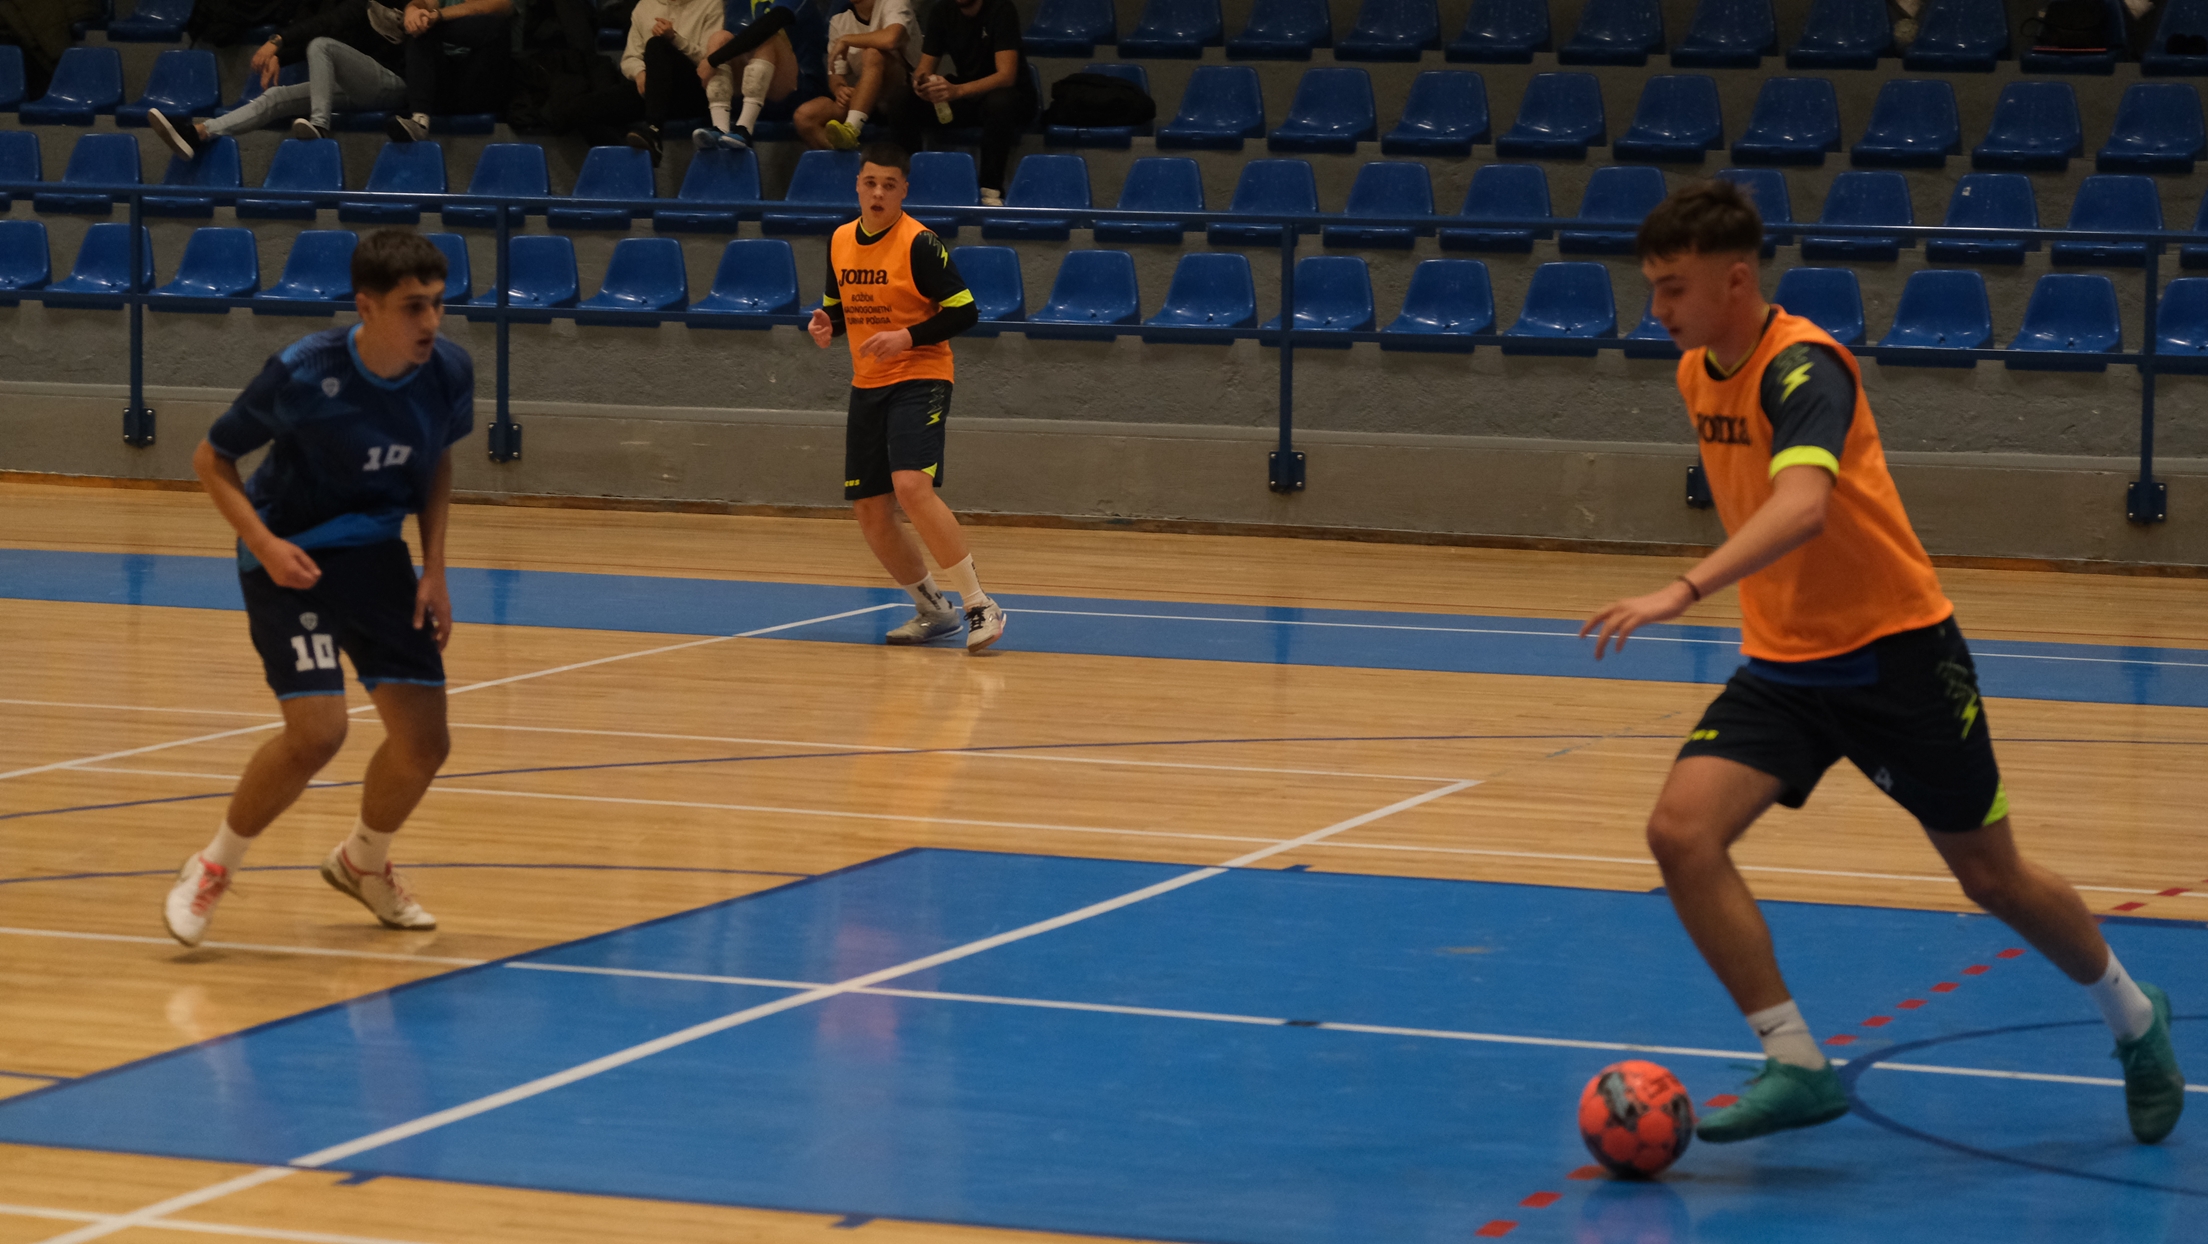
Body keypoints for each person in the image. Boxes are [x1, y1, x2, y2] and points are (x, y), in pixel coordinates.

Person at [1579, 180, 2186, 1147]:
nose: (1657, 309)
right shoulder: (1696, 370)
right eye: (1652, 287)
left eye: (1674, 287)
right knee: (1680, 835)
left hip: (1897, 657)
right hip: (1786, 667)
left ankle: (2135, 1017)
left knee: (1992, 877)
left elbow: (1802, 507)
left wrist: (1681, 590)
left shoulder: (1804, 368)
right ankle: (1795, 1062)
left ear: (1735, 280)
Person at [164, 230, 475, 949]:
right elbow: (211, 459)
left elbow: (436, 463)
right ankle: (212, 866)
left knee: (425, 743)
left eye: (437, 303)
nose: (430, 321)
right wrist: (265, 546)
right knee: (318, 733)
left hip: (376, 559)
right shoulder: (306, 371)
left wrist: (434, 569)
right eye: (413, 307)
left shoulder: (448, 371)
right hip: (289, 560)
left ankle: (363, 863)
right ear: (366, 307)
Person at [809, 144, 1004, 652]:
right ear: (858, 185)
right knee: (870, 510)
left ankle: (980, 604)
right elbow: (838, 308)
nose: (878, 193)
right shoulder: (839, 240)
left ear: (903, 191)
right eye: (870, 183)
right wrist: (827, 324)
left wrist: (907, 336)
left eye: (889, 185)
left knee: (912, 487)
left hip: (921, 375)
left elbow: (965, 311)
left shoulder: (920, 242)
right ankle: (933, 609)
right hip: (868, 383)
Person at [146, 0, 411, 154]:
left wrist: (277, 41)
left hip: (394, 83)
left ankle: (319, 125)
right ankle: (199, 133)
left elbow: (331, 22)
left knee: (322, 45)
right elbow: (328, 26)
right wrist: (280, 56)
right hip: (360, 83)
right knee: (276, 95)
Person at [901, 0, 1032, 205]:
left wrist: (957, 91)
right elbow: (925, 67)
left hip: (1011, 97)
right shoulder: (941, 11)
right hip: (968, 96)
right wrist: (922, 84)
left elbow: (1006, 76)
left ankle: (991, 189)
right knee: (902, 97)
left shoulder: (1002, 9)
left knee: (999, 102)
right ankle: (906, 180)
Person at [695, 0, 826, 150]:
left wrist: (712, 60)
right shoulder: (737, 3)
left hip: (800, 89)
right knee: (719, 38)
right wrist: (712, 60)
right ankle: (720, 127)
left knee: (768, 38)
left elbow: (770, 23)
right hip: (750, 86)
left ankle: (745, 129)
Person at [619, 0, 733, 165]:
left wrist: (675, 39)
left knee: (657, 43)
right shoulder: (644, 5)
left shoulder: (710, 3)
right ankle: (628, 168)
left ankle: (654, 129)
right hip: (653, 91)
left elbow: (709, 61)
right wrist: (639, 73)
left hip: (692, 91)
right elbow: (630, 57)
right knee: (586, 110)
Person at [793, 0, 917, 151]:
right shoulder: (838, 21)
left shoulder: (895, 3)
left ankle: (851, 128)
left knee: (873, 53)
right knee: (805, 116)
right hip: (861, 97)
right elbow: (835, 74)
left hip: (900, 94)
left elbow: (891, 39)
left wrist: (847, 40)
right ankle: (849, 157)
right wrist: (839, 89)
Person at [385, 0, 516, 142]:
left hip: (480, 84)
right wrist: (413, 12)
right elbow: (423, 3)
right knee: (418, 25)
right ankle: (419, 120)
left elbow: (500, 5)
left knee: (497, 26)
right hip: (439, 85)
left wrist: (438, 16)